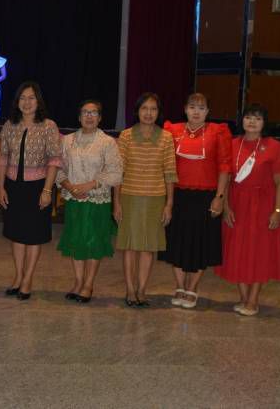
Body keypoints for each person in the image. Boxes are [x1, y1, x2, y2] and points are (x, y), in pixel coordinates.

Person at [161, 93, 231, 309]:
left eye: (201, 108)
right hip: (177, 195)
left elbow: (225, 167)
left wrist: (219, 197)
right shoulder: (172, 130)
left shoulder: (218, 132)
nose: (196, 112)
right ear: (185, 109)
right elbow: (165, 164)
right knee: (176, 241)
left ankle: (192, 287)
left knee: (201, 242)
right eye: (192, 107)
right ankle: (179, 286)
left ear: (208, 111)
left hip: (206, 196)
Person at [216, 104, 280, 316]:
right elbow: (225, 178)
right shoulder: (231, 144)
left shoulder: (274, 147)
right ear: (242, 120)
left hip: (263, 205)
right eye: (248, 117)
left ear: (264, 123)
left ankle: (253, 299)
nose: (252, 122)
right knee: (236, 250)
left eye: (257, 118)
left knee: (260, 251)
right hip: (236, 203)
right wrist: (226, 206)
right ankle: (243, 297)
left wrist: (277, 210)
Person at [0, 82, 61, 301]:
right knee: (16, 234)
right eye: (22, 98)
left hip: (38, 187)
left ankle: (28, 280)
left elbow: (54, 160)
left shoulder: (48, 126)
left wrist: (47, 190)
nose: (26, 102)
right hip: (13, 187)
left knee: (33, 236)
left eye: (31, 98)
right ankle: (18, 277)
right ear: (17, 102)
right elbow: (2, 158)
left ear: (38, 101)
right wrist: (0, 187)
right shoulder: (9, 125)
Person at [113, 92, 177, 307]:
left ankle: (142, 289)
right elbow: (118, 172)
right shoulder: (126, 136)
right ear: (137, 111)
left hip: (156, 199)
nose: (148, 113)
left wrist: (169, 204)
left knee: (149, 247)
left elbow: (170, 173)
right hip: (129, 197)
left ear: (159, 112)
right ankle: (130, 290)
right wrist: (116, 202)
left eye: (153, 109)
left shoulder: (166, 137)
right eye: (144, 108)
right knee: (130, 246)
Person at [56, 100, 122, 303]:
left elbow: (116, 173)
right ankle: (78, 282)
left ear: (100, 118)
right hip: (74, 200)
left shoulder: (108, 142)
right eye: (85, 112)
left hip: (97, 201)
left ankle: (88, 284)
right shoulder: (67, 141)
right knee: (76, 241)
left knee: (94, 242)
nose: (89, 116)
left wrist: (90, 185)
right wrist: (69, 187)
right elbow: (58, 169)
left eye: (94, 113)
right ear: (79, 117)